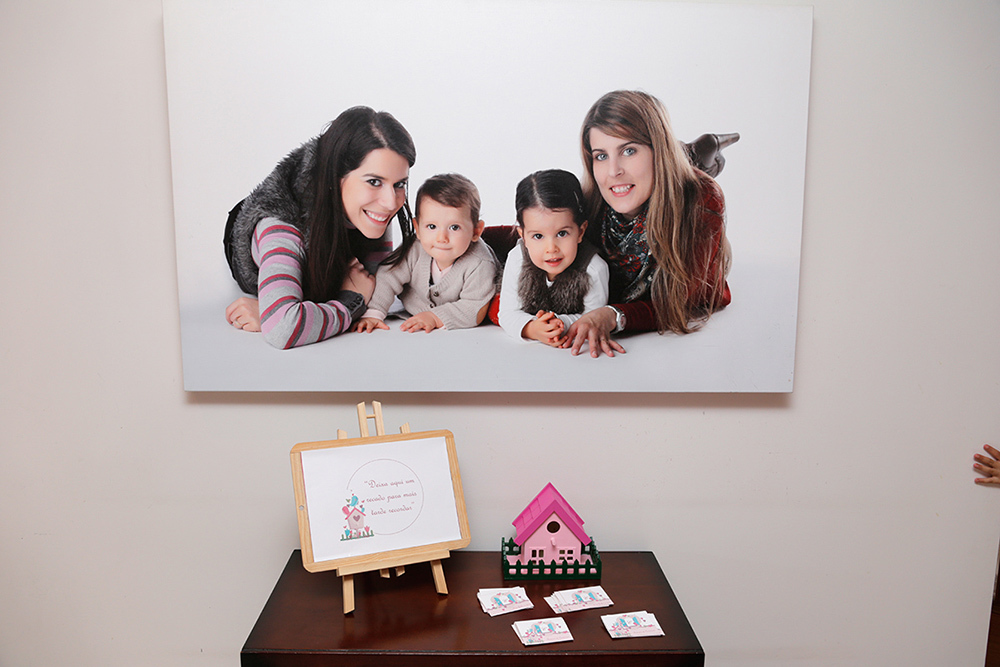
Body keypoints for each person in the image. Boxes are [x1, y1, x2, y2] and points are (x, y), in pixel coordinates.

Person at [222, 106, 416, 348]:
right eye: (374, 182)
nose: (390, 203)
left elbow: (376, 286)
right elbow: (282, 329)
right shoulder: (281, 229)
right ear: (336, 177)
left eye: (399, 184)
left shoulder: (373, 211)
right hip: (253, 233)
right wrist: (349, 302)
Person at [562, 90, 733, 357]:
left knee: (696, 159)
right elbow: (530, 231)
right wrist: (472, 229)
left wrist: (615, 315)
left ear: (658, 150)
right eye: (601, 155)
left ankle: (706, 146)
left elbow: (680, 304)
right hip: (661, 165)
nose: (612, 171)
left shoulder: (703, 202)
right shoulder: (591, 202)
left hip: (679, 180)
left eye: (628, 150)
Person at [353, 173, 499, 333]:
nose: (441, 238)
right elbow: (388, 277)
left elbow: (474, 308)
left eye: (454, 227)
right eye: (431, 227)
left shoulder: (479, 263)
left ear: (476, 231)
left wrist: (434, 317)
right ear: (417, 228)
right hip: (412, 310)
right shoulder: (414, 248)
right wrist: (374, 312)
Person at [498, 169, 609, 346]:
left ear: (580, 231)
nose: (551, 249)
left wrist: (559, 324)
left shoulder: (593, 269)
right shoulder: (517, 258)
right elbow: (507, 313)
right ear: (523, 235)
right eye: (538, 236)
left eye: (562, 233)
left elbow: (593, 318)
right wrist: (532, 328)